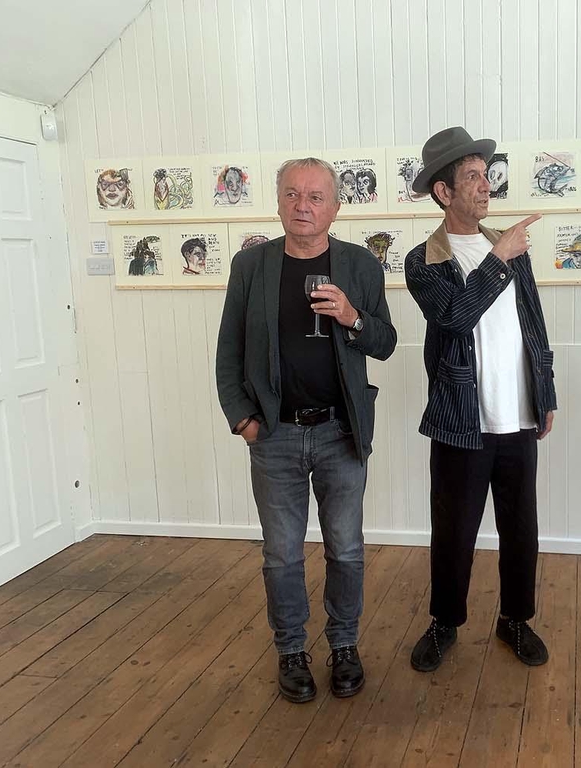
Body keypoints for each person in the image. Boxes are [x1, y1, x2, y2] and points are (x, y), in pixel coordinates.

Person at [216, 157, 397, 704]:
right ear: (278, 203)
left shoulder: (360, 265)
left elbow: (385, 343)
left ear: (335, 208)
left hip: (341, 432)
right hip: (275, 435)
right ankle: (291, 650)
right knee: (281, 554)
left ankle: (344, 645)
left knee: (346, 549)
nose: (303, 206)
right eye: (292, 194)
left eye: (316, 197)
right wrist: (244, 421)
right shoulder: (252, 266)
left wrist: (352, 317)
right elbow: (228, 352)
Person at [404, 126, 557, 672]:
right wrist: (498, 257)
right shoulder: (423, 260)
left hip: (518, 415)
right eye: (472, 176)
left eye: (485, 175)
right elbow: (454, 317)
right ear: (443, 192)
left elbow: (533, 323)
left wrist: (546, 391)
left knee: (521, 528)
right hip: (460, 420)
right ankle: (445, 622)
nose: (485, 184)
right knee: (454, 530)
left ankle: (516, 619)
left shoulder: (511, 248)